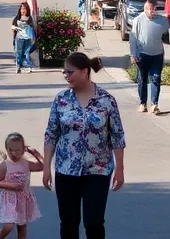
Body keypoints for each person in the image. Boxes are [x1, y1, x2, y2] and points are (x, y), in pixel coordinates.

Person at [43, 52, 126, 239]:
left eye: (70, 72)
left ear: (85, 72)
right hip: (66, 170)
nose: (66, 76)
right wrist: (46, 167)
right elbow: (51, 134)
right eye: (64, 72)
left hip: (97, 170)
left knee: (94, 222)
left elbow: (118, 136)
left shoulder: (106, 100)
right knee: (68, 222)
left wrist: (119, 168)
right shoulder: (61, 99)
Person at [0, 132, 44, 239]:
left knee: (22, 229)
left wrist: (35, 153)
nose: (14, 153)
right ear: (6, 149)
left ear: (23, 149)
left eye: (17, 150)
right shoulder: (4, 165)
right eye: (10, 150)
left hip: (23, 200)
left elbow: (42, 166)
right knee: (8, 225)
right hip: (10, 200)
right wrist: (12, 186)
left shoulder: (26, 163)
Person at [128, 0, 169, 114]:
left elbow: (167, 33)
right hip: (142, 55)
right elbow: (133, 38)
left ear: (156, 9)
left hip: (157, 55)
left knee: (156, 78)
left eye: (153, 9)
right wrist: (133, 54)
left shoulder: (162, 20)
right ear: (144, 9)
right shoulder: (138, 20)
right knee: (142, 79)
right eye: (148, 9)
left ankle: (154, 104)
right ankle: (143, 103)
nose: (151, 11)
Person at [11, 2, 36, 74]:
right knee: (19, 53)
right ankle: (18, 67)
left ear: (27, 9)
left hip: (27, 38)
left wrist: (33, 38)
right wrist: (15, 28)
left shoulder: (29, 18)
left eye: (24, 8)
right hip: (19, 38)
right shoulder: (17, 17)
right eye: (22, 8)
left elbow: (32, 28)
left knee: (27, 53)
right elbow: (12, 26)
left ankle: (28, 66)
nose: (23, 10)